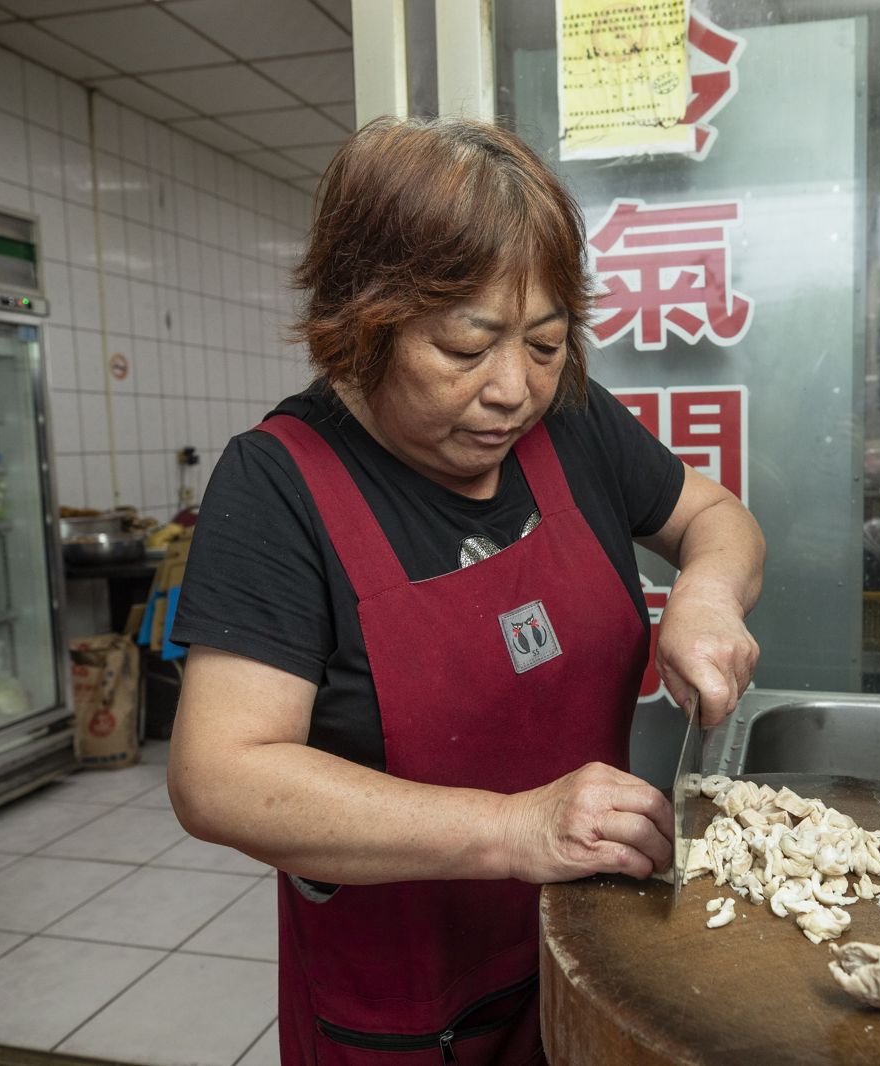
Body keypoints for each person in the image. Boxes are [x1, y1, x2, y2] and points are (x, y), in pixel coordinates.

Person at [167, 117, 765, 1065]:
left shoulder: (570, 421)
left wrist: (705, 594)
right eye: (463, 348)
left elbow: (716, 516)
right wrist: (512, 827)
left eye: (545, 341)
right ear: (363, 326)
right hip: (403, 1013)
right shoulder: (280, 484)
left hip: (586, 950)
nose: (512, 391)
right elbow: (220, 776)